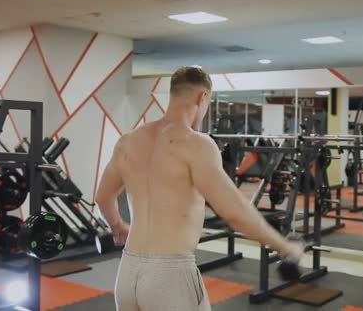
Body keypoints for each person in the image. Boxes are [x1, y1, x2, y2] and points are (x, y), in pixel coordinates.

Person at [94, 66, 304, 311]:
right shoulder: (196, 144)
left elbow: (102, 197)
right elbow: (235, 212)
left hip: (129, 273)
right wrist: (284, 246)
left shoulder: (128, 141)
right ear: (202, 97)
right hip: (170, 275)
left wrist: (118, 226)